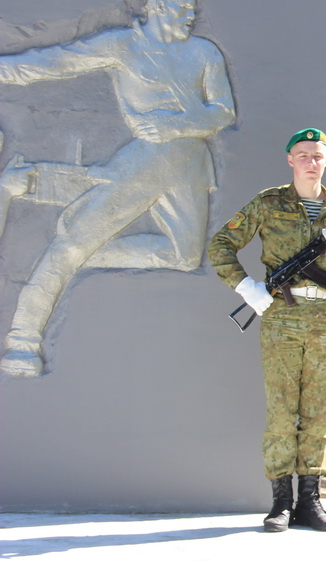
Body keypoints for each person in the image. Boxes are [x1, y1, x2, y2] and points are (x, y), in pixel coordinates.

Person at [0, 0, 236, 377]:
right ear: (157, 6)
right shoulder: (122, 45)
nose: (192, 14)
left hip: (190, 165)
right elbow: (55, 61)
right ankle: (23, 342)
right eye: (183, 6)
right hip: (146, 160)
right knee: (70, 245)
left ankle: (74, 234)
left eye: (193, 7)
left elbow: (223, 111)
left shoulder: (204, 52)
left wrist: (175, 125)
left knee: (184, 256)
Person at [208, 128, 326, 533]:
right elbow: (221, 245)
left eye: (318, 155)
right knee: (282, 411)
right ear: (290, 160)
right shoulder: (268, 203)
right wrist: (246, 287)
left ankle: (310, 500)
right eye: (304, 155)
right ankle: (281, 501)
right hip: (282, 317)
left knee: (318, 412)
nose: (312, 162)